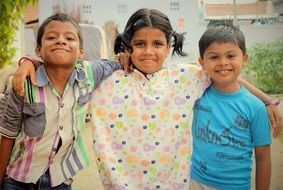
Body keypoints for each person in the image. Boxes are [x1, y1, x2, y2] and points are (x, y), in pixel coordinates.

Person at [11, 8, 281, 190]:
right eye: (140, 44)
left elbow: (225, 75)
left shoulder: (186, 78)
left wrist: (267, 100)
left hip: (172, 183)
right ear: (128, 45)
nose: (148, 52)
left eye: (157, 44)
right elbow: (61, 65)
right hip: (119, 184)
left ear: (169, 45)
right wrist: (30, 63)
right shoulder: (107, 78)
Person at [0, 13, 120, 189]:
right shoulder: (23, 85)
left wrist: (122, 59)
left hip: (60, 180)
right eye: (51, 37)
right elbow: (8, 134)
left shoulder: (89, 74)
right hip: (19, 179)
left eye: (69, 38)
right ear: (39, 50)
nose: (61, 41)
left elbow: (112, 64)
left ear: (81, 52)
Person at [190, 25, 272, 190]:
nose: (223, 63)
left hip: (235, 186)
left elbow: (263, 158)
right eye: (214, 57)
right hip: (194, 182)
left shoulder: (255, 108)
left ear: (244, 58)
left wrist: (267, 100)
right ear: (202, 63)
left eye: (230, 55)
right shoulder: (195, 94)